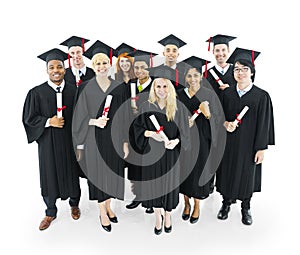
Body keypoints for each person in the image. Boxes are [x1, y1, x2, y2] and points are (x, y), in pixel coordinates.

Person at [22, 48, 81, 231]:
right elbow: (28, 118)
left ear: (65, 69)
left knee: (72, 173)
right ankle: (50, 211)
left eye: (59, 66)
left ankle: (74, 204)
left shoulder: (74, 91)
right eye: (52, 67)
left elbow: (82, 117)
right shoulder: (36, 93)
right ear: (47, 70)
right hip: (48, 143)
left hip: (69, 142)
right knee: (49, 175)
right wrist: (48, 121)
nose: (56, 70)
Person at [216, 48, 275, 225]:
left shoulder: (261, 96)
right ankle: (226, 203)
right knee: (227, 171)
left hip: (250, 145)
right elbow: (218, 118)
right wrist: (225, 124)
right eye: (237, 69)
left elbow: (265, 124)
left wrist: (261, 148)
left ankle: (245, 207)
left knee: (247, 175)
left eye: (244, 69)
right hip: (229, 143)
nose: (240, 73)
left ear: (252, 72)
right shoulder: (226, 94)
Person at [72, 40, 127, 232]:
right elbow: (78, 116)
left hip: (114, 140)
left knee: (112, 175)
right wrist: (94, 122)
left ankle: (109, 206)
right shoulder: (85, 87)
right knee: (97, 176)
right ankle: (102, 212)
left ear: (109, 64)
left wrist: (126, 143)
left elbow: (125, 116)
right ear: (92, 66)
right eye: (97, 63)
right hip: (93, 139)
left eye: (104, 63)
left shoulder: (119, 87)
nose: (102, 66)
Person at [132, 69, 190, 234]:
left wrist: (176, 141)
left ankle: (168, 214)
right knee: (154, 184)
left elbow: (185, 132)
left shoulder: (178, 107)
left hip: (171, 153)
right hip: (151, 153)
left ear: (170, 88)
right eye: (158, 86)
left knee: (170, 184)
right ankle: (158, 216)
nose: (162, 90)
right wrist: (151, 134)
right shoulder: (146, 106)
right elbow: (137, 129)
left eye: (165, 86)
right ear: (153, 87)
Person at [176, 56, 221, 224]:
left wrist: (207, 113)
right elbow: (173, 117)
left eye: (196, 75)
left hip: (203, 142)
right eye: (189, 76)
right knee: (185, 173)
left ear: (201, 76)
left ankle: (196, 205)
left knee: (198, 174)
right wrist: (183, 122)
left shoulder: (209, 94)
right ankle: (186, 203)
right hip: (184, 143)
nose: (193, 79)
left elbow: (217, 121)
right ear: (185, 78)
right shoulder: (180, 95)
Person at [124, 50, 157, 214]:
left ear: (149, 68)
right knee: (135, 166)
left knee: (150, 166)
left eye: (143, 67)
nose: (139, 71)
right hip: (133, 132)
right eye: (136, 67)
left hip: (150, 133)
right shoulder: (129, 84)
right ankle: (138, 195)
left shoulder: (157, 85)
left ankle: (151, 199)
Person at [205, 34, 237, 193]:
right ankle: (210, 181)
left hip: (232, 119)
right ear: (213, 52)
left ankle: (225, 185)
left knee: (229, 154)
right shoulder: (207, 74)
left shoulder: (237, 71)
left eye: (223, 50)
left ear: (228, 50)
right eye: (217, 50)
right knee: (212, 151)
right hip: (213, 120)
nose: (220, 53)